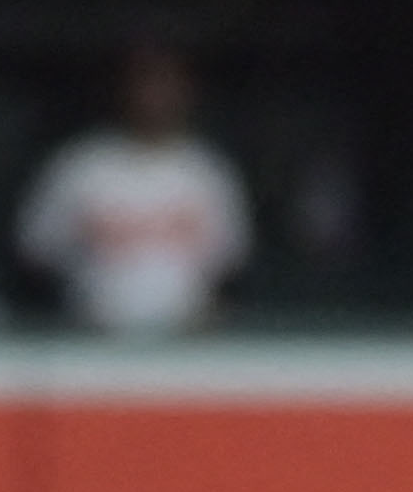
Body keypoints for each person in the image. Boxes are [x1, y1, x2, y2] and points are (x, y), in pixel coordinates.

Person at [17, 44, 252, 335]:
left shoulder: (208, 170)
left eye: (165, 83)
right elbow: (37, 252)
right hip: (90, 341)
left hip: (189, 344)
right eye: (144, 81)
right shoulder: (79, 164)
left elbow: (229, 262)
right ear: (123, 88)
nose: (154, 95)